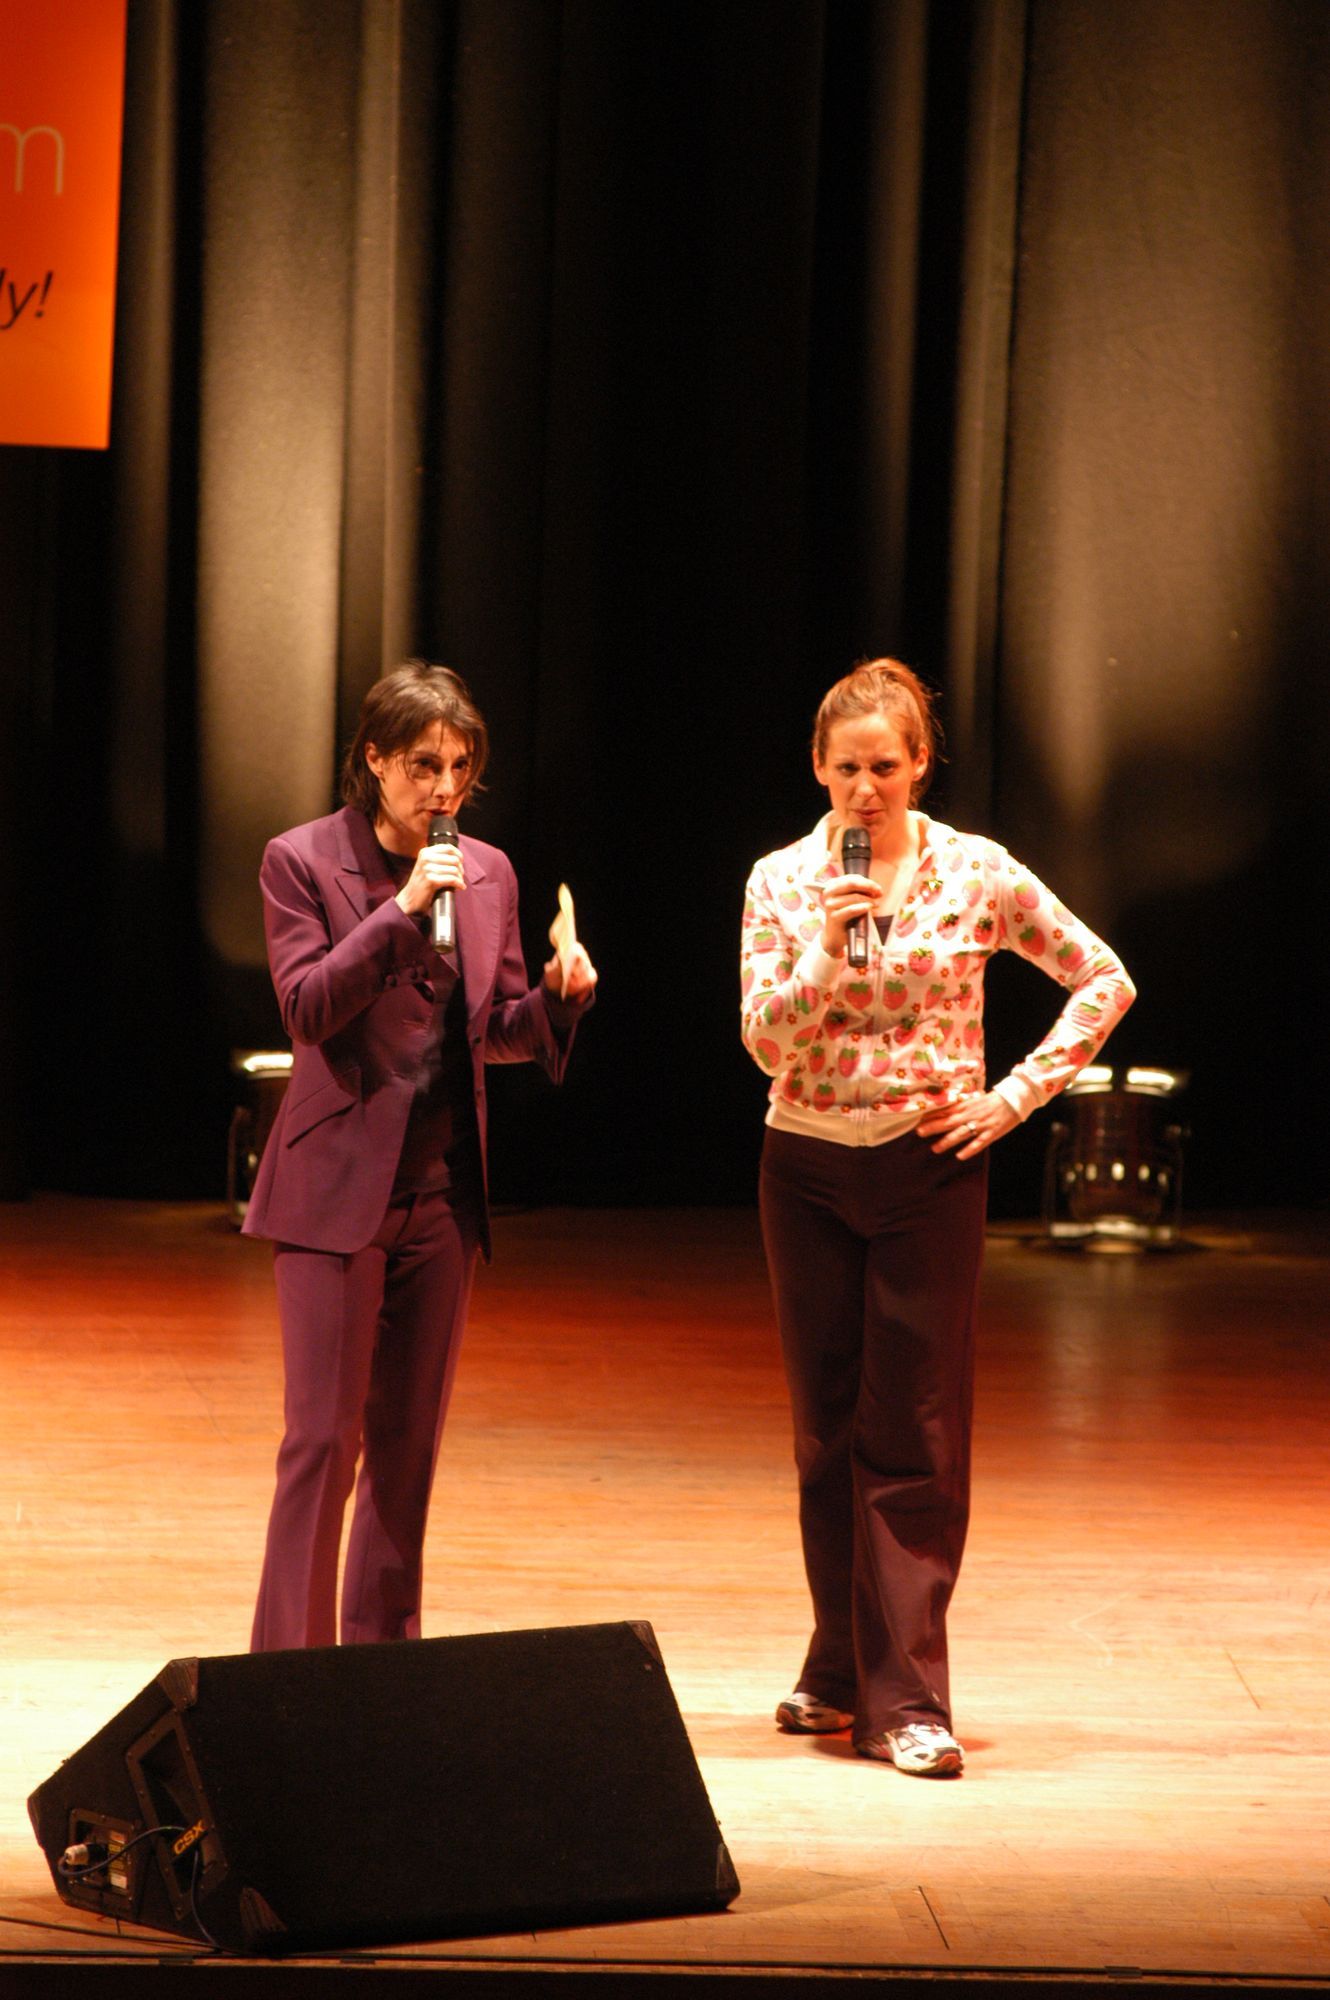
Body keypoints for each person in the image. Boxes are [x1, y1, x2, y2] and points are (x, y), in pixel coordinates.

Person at [741, 659, 1134, 1776]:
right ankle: (835, 1665)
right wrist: (827, 939)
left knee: (910, 1431)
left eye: (887, 765)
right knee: (825, 1431)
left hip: (927, 1167)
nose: (866, 789)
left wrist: (1011, 1098)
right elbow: (764, 1041)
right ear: (818, 765)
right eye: (847, 767)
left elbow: (1100, 977)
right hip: (806, 1162)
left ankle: (906, 1698)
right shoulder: (782, 878)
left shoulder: (976, 871)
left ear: (920, 764)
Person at [245, 660, 596, 1652]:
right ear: (373, 760)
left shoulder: (489, 873)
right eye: (421, 764)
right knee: (323, 1441)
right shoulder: (302, 860)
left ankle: (380, 1675)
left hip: (442, 1196)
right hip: (332, 1193)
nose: (444, 787)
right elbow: (308, 1008)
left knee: (406, 1452)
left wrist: (562, 998)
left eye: (459, 765)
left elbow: (498, 1028)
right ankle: (286, 1674)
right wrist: (399, 909)